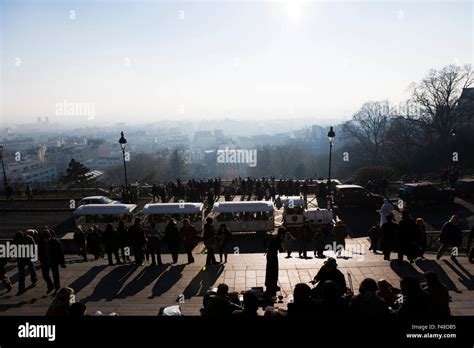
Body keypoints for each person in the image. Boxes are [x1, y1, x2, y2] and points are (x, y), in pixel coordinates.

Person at [38, 228, 66, 293]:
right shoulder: (41, 242)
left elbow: (60, 253)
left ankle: (57, 286)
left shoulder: (55, 241)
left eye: (47, 238)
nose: (46, 240)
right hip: (44, 261)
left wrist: (62, 263)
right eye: (45, 239)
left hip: (54, 261)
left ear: (50, 236)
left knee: (55, 275)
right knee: (45, 275)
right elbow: (39, 251)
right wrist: (40, 258)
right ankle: (50, 286)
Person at [13, 231, 38, 295]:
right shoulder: (16, 238)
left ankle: (34, 278)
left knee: (31, 268)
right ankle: (21, 288)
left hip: (28, 256)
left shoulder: (29, 238)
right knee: (21, 272)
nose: (18, 240)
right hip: (20, 257)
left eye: (19, 239)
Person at [263, 229, 284, 298]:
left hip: (269, 255)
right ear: (281, 234)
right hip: (273, 256)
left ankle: (269, 284)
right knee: (274, 271)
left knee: (269, 271)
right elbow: (281, 250)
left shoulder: (274, 237)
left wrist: (266, 248)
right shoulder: (278, 239)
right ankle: (273, 285)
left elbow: (265, 239)